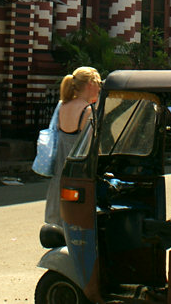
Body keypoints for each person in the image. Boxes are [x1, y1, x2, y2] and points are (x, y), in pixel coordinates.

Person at [44, 66, 101, 232]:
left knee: (56, 228)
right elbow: (92, 148)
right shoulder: (88, 111)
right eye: (98, 83)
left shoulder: (63, 106)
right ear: (90, 84)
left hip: (59, 177)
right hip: (78, 177)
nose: (99, 87)